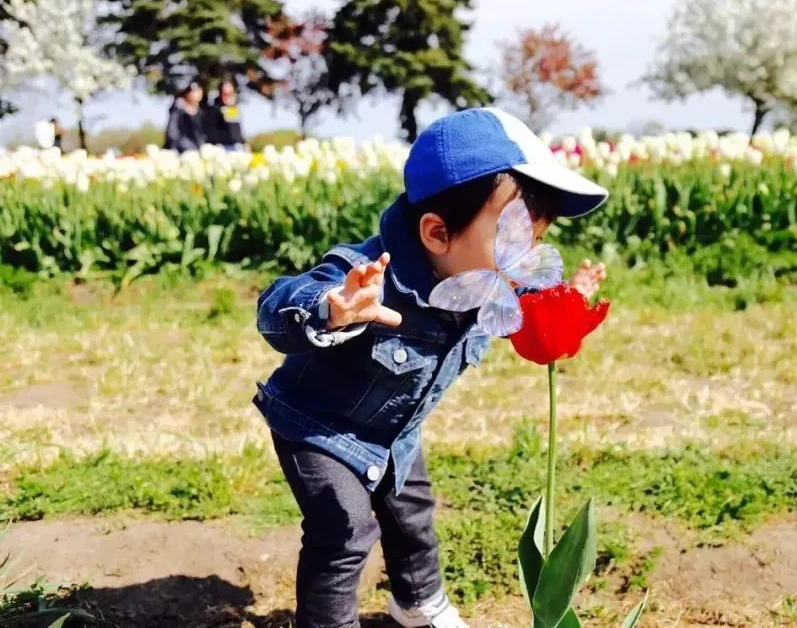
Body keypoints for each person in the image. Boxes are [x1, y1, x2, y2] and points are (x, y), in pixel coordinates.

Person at [254, 107, 609, 628]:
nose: (523, 258)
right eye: (511, 239)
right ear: (438, 233)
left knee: (412, 513)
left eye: (533, 241)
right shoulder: (371, 276)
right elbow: (277, 303)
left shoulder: (486, 277)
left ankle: (417, 604)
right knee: (345, 530)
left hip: (396, 432)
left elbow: (532, 302)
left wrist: (568, 300)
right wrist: (333, 306)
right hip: (319, 429)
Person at [164, 81, 206, 153]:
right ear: (186, 94)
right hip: (180, 152)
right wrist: (187, 147)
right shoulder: (177, 111)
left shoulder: (201, 113)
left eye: (197, 91)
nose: (195, 94)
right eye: (192, 91)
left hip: (198, 152)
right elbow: (172, 133)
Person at [207, 78, 246, 151]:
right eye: (225, 94)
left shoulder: (233, 108)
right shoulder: (214, 109)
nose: (228, 97)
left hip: (237, 146)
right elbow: (212, 133)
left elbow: (237, 130)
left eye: (230, 93)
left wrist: (244, 142)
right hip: (222, 147)